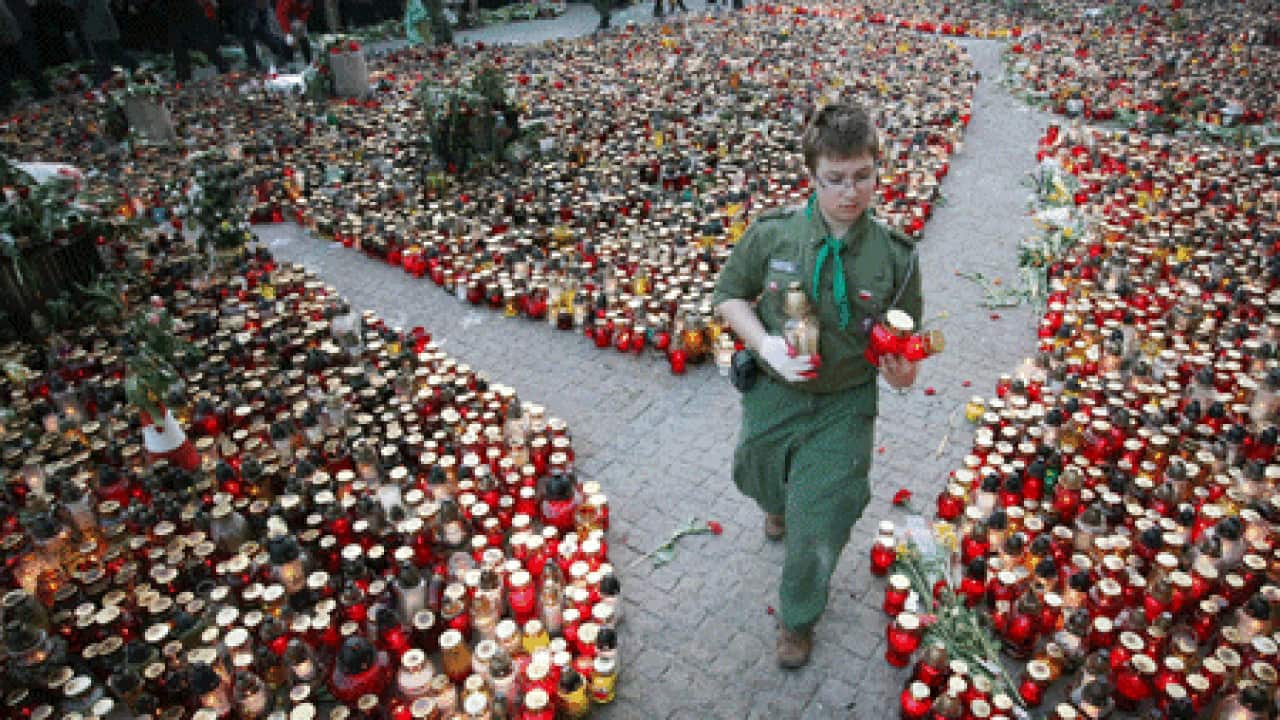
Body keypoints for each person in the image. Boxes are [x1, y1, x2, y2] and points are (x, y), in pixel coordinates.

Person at [711, 102, 922, 669]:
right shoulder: (773, 235)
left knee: (818, 521)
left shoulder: (896, 258)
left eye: (862, 177)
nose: (849, 193)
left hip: (845, 400)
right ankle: (773, 500)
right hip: (777, 389)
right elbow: (729, 295)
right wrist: (766, 345)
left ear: (878, 170)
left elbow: (906, 350)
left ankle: (798, 615)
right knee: (752, 469)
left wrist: (903, 373)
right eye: (835, 179)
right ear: (812, 176)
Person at [71, 0, 137, 84]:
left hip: (101, 35)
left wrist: (114, 33)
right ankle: (107, 78)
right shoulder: (87, 5)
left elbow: (107, 16)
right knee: (109, 56)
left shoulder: (97, 4)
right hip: (96, 35)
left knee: (107, 57)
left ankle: (104, 79)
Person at [229, 0, 292, 72]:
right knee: (257, 34)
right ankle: (281, 52)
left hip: (245, 10)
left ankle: (255, 62)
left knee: (251, 37)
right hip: (246, 10)